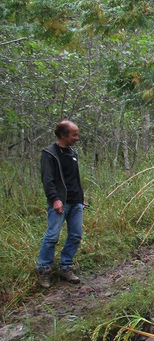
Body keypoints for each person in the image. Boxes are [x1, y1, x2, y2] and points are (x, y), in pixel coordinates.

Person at [35, 120, 85, 288]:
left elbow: (75, 178)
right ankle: (44, 269)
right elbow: (47, 180)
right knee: (52, 237)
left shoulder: (73, 153)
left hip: (76, 201)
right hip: (59, 202)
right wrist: (55, 199)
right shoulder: (49, 154)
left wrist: (81, 197)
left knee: (76, 235)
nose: (76, 138)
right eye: (74, 135)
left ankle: (66, 267)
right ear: (63, 135)